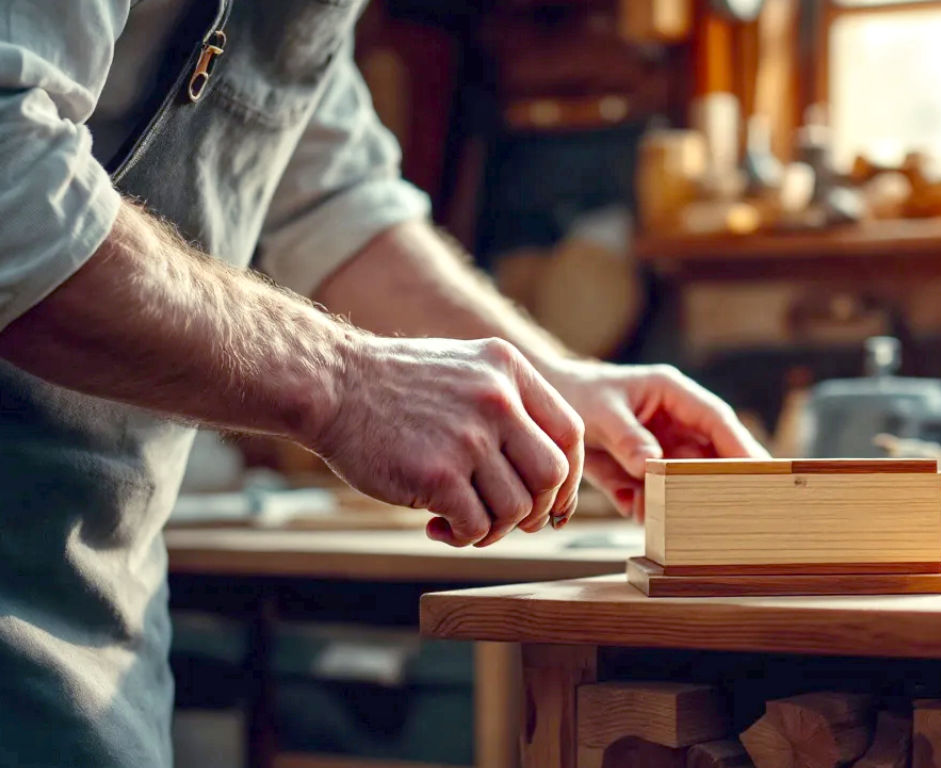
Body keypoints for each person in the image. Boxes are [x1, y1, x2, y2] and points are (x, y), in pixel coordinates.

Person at [0, 2, 766, 765]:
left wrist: (553, 388)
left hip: (98, 598)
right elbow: (12, 181)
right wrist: (344, 383)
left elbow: (336, 207)